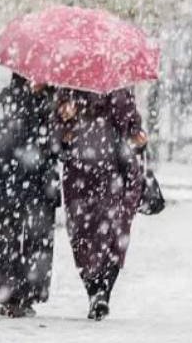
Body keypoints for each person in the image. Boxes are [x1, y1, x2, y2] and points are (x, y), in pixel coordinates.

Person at [56, 88, 148, 321]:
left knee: (111, 234)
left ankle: (101, 292)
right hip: (81, 174)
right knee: (83, 234)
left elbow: (132, 130)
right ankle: (95, 291)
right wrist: (64, 123)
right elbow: (57, 137)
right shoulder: (68, 90)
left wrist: (136, 134)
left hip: (112, 173)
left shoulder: (120, 90)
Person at [0, 74, 62, 318]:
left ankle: (29, 294)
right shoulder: (10, 97)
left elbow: (61, 145)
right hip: (11, 180)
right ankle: (9, 296)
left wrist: (62, 124)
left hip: (42, 184)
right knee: (11, 241)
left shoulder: (55, 100)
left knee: (38, 242)